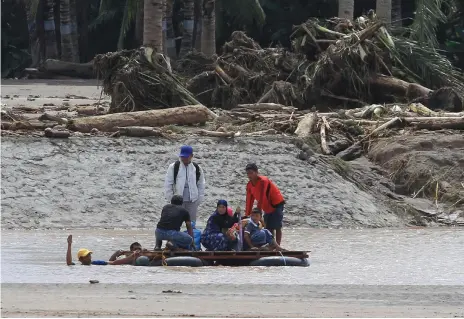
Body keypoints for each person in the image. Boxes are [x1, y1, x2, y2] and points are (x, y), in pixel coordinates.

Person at [245, 163, 285, 245]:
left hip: (276, 204)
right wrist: (247, 215)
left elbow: (262, 196)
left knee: (277, 226)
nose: (249, 175)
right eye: (248, 173)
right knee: (268, 227)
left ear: (256, 172)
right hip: (266, 207)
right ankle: (272, 246)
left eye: (251, 173)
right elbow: (249, 201)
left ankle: (278, 247)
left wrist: (258, 212)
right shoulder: (249, 185)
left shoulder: (263, 181)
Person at [164, 145, 205, 224]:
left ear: (191, 156)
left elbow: (201, 184)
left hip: (192, 200)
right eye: (183, 157)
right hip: (177, 201)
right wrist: (171, 198)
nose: (184, 159)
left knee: (191, 223)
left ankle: (191, 236)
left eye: (186, 157)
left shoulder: (197, 168)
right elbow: (168, 183)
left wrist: (199, 199)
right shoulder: (173, 167)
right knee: (176, 222)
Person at [66, 235, 140, 266]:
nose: (90, 257)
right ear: (81, 259)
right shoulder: (79, 266)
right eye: (87, 256)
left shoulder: (96, 263)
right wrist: (69, 245)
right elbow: (69, 263)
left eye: (89, 255)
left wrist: (131, 257)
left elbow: (114, 262)